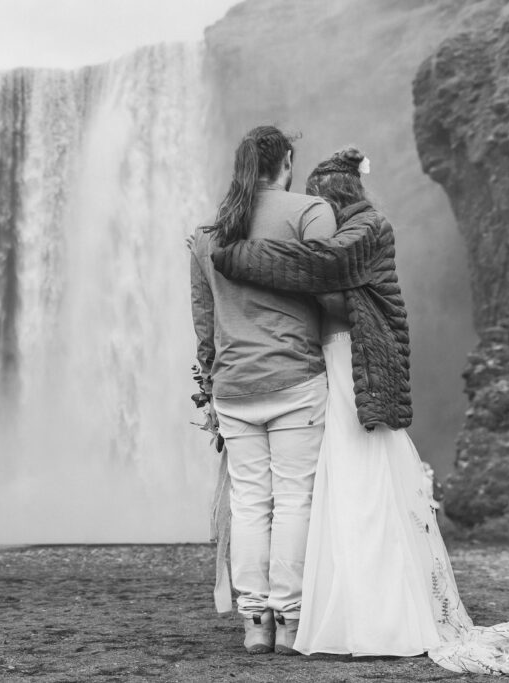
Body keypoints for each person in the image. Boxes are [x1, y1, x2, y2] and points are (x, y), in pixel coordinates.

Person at [210, 147, 509, 673]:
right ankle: (325, 608)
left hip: (353, 364)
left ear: (334, 195)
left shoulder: (365, 229)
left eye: (319, 197)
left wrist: (227, 255)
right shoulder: (355, 228)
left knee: (357, 481)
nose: (312, 207)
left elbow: (317, 267)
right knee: (333, 487)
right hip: (335, 363)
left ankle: (367, 615)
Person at [189, 125, 337, 655]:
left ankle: (255, 623)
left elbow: (203, 324)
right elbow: (332, 295)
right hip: (296, 377)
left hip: (233, 386)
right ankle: (292, 619)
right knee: (295, 499)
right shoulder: (310, 213)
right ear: (288, 162)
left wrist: (210, 387)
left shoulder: (208, 236)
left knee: (251, 504)